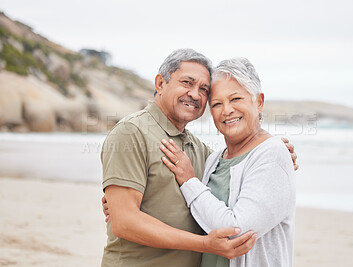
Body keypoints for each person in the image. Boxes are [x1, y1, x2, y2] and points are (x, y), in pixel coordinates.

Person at [101, 49, 298, 267]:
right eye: (187, 82)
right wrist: (204, 244)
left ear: (258, 102)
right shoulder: (131, 133)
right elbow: (125, 223)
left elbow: (242, 167)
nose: (195, 94)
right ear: (160, 84)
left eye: (204, 89)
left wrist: (276, 150)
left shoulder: (202, 152)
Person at [159, 58, 296, 266]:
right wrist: (123, 202)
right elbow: (197, 213)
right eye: (217, 104)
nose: (227, 110)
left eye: (236, 99)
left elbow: (235, 232)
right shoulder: (214, 160)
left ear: (258, 102)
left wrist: (189, 181)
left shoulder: (272, 153)